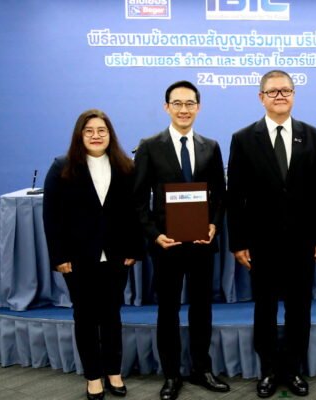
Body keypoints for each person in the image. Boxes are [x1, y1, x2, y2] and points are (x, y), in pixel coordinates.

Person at [227, 70, 316, 398]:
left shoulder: (313, 136)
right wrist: (238, 242)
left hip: (303, 241)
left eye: (286, 90)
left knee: (300, 308)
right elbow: (235, 196)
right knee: (265, 308)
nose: (280, 96)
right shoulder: (244, 138)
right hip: (262, 242)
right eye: (272, 91)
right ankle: (269, 370)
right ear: (261, 97)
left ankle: (294, 368)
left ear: (294, 95)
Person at [132, 81, 228, 400]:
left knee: (202, 309)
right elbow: (137, 199)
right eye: (177, 103)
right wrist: (154, 235)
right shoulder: (149, 146)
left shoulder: (210, 146)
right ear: (166, 107)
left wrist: (213, 225)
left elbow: (220, 195)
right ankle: (172, 375)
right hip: (167, 245)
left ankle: (202, 369)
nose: (184, 109)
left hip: (202, 244)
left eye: (190, 104)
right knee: (168, 310)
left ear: (198, 107)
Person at [43, 109, 143, 400]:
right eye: (89, 131)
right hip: (77, 258)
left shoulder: (126, 166)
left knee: (112, 316)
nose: (96, 136)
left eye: (102, 130)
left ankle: (114, 372)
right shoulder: (61, 167)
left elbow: (135, 213)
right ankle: (93, 376)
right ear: (79, 135)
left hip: (116, 256)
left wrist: (134, 248)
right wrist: (59, 256)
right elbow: (52, 217)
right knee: (85, 317)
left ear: (110, 134)